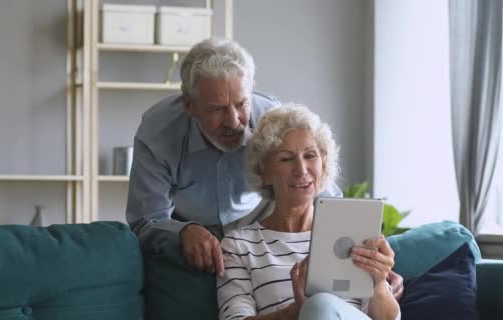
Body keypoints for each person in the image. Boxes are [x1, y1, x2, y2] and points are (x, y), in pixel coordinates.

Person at [125, 38, 344, 276]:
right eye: (217, 109)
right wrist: (182, 231)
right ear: (189, 106)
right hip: (190, 226)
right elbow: (145, 220)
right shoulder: (157, 133)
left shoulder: (272, 117)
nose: (233, 121)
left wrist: (366, 265)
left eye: (241, 104)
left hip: (262, 219)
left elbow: (321, 190)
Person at [217, 104, 400, 320]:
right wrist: (294, 312)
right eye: (286, 158)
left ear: (323, 164)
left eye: (310, 155)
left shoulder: (353, 232)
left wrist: (378, 284)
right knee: (318, 306)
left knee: (320, 305)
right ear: (263, 172)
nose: (302, 170)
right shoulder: (239, 245)